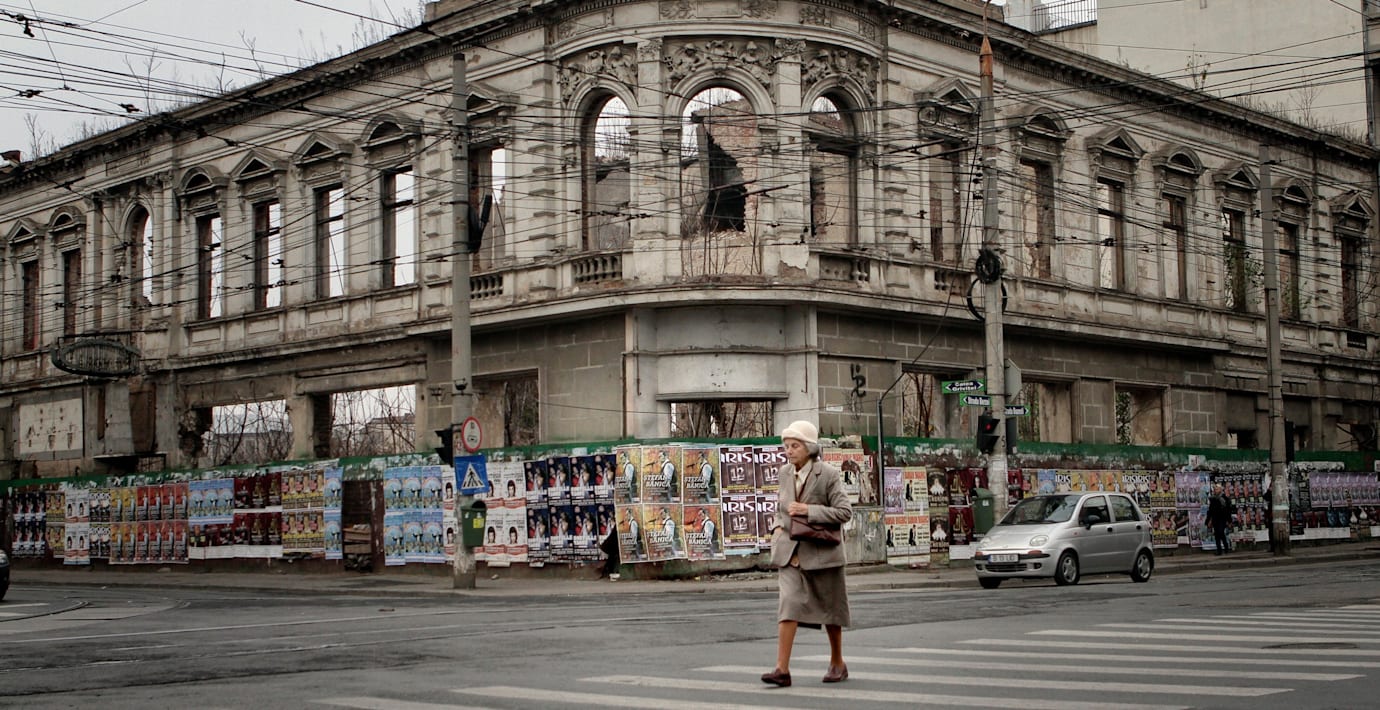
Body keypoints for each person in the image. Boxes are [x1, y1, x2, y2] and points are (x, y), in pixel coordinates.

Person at [761, 420, 852, 689]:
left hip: (823, 553)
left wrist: (808, 511)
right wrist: (777, 528)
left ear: (810, 447)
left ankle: (837, 662)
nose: (789, 451)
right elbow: (781, 508)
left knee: (831, 610)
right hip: (790, 552)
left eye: (795, 446)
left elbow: (844, 512)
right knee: (788, 604)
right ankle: (782, 670)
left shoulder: (828, 474)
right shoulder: (784, 473)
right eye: (786, 446)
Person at [1207, 482, 1233, 555]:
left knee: (1221, 532)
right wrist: (1209, 520)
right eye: (1215, 489)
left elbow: (1228, 510)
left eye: (1217, 489)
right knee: (1217, 534)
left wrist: (1229, 521)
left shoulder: (1225, 498)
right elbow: (1211, 510)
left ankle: (1226, 546)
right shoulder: (1213, 499)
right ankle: (1219, 550)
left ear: (1220, 490)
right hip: (1215, 518)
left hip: (1222, 518)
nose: (1215, 490)